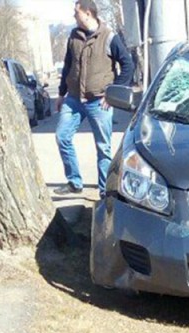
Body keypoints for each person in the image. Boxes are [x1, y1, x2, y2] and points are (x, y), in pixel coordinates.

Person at [54, 0, 133, 198]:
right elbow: (67, 66)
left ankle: (104, 191)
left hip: (99, 101)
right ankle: (74, 182)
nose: (74, 16)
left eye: (76, 12)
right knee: (62, 136)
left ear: (88, 13)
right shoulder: (74, 36)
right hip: (73, 99)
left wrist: (112, 93)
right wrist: (61, 93)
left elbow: (128, 65)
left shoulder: (109, 37)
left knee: (103, 148)